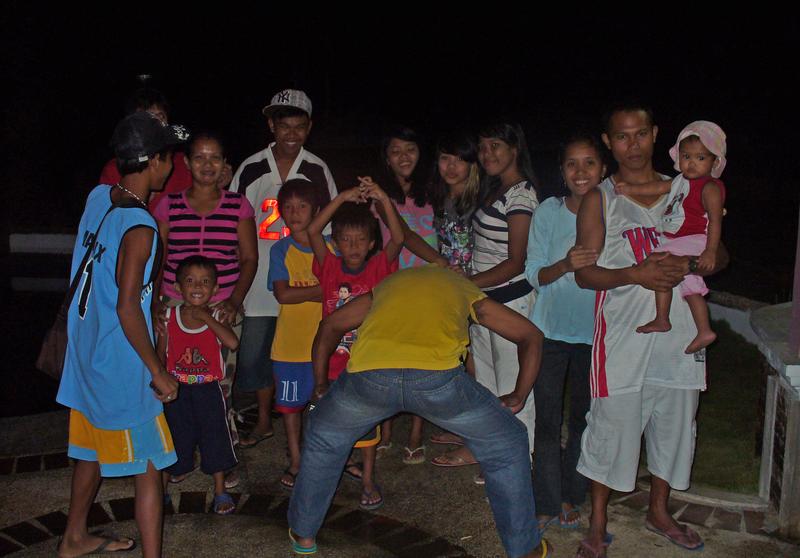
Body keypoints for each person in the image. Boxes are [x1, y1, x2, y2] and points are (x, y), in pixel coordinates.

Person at [286, 265, 549, 558]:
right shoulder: (461, 286)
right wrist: (519, 394)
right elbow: (530, 335)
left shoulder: (389, 284)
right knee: (506, 443)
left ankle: (304, 533)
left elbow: (330, 325)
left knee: (324, 438)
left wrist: (321, 384)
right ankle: (525, 549)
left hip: (370, 377)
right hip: (436, 380)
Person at [573, 103, 728, 557]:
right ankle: (597, 522)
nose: (633, 144)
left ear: (656, 134)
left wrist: (697, 263)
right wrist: (633, 275)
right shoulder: (600, 198)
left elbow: (719, 252)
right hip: (624, 334)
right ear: (609, 141)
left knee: (675, 425)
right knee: (611, 425)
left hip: (681, 334)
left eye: (640, 133)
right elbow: (585, 274)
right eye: (622, 136)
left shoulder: (686, 185)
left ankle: (659, 511)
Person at [56, 112, 185, 558]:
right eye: (169, 156)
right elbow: (128, 307)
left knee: (91, 447)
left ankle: (74, 537)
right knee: (150, 467)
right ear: (154, 162)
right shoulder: (141, 228)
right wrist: (157, 370)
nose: (172, 165)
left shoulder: (99, 197)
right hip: (120, 363)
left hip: (85, 353)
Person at [228, 89, 337, 448]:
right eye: (283, 125)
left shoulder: (317, 168)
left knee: (307, 352)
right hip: (260, 278)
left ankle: (309, 421)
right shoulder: (252, 167)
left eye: (298, 126)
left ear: (309, 127)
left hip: (304, 280)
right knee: (257, 355)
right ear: (271, 126)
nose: (291, 134)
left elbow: (328, 229)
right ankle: (264, 418)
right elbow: (234, 219)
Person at [433, 120, 538, 472]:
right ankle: (490, 453)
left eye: (496, 145)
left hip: (509, 300)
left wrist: (469, 282)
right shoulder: (495, 190)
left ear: (514, 148)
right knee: (488, 385)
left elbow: (516, 261)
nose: (487, 153)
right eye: (483, 147)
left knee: (514, 387)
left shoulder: (521, 195)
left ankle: (520, 462)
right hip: (483, 301)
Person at [307, 177, 404, 511]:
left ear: (372, 243)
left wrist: (383, 199)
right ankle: (329, 476)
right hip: (331, 367)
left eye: (361, 240)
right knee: (327, 426)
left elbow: (399, 238)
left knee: (367, 429)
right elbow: (312, 231)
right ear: (335, 243)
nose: (353, 246)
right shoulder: (329, 267)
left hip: (366, 365)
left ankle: (367, 479)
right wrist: (342, 197)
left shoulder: (378, 267)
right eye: (346, 240)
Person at [525, 133, 604, 532]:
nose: (581, 171)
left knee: (584, 418)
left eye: (590, 162)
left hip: (597, 333)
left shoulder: (613, 210)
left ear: (603, 168)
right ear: (561, 170)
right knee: (547, 419)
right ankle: (546, 499)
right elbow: (533, 273)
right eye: (572, 163)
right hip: (550, 331)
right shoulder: (548, 211)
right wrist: (565, 265)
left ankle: (571, 493)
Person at [615, 121, 727, 353]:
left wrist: (710, 251)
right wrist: (630, 190)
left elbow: (715, 221)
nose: (691, 163)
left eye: (700, 158)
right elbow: (657, 188)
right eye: (686, 156)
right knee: (689, 286)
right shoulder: (680, 181)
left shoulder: (710, 188)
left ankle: (663, 318)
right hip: (679, 239)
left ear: (714, 161)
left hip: (694, 238)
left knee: (658, 261)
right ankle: (701, 329)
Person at [374, 126, 448, 459]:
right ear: (387, 159)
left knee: (422, 359)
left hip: (430, 287)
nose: (404, 157)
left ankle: (417, 431)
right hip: (395, 286)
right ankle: (386, 428)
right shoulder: (380, 197)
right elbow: (400, 232)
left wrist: (440, 265)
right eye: (396, 151)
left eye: (411, 149)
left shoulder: (436, 191)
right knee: (390, 358)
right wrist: (439, 260)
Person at [158, 256, 239, 515]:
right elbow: (161, 354)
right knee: (173, 437)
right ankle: (161, 492)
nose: (197, 286)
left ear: (215, 289)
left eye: (205, 282)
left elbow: (232, 343)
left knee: (214, 436)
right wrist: (159, 381)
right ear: (178, 287)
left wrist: (206, 317)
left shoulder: (216, 315)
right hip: (177, 390)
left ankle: (220, 490)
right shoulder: (168, 317)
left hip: (209, 389)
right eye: (190, 280)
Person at [266, 179, 329, 491]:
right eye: (288, 207)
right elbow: (283, 295)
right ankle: (296, 459)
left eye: (302, 206)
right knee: (291, 409)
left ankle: (330, 460)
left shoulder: (330, 246)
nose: (295, 213)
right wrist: (323, 290)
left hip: (328, 346)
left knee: (327, 408)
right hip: (290, 346)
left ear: (316, 210)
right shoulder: (281, 249)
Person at [98, 87, 195, 212]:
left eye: (161, 116)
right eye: (148, 117)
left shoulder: (185, 164)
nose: (157, 123)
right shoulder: (113, 170)